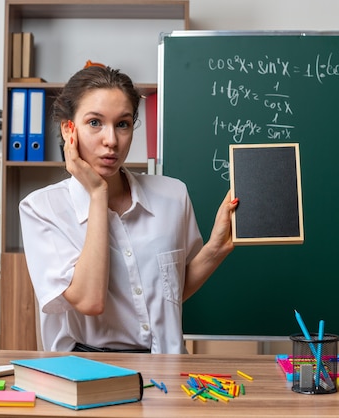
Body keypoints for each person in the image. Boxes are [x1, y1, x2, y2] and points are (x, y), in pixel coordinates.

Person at [19, 65, 238, 354]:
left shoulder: (173, 195)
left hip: (167, 370)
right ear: (68, 130)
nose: (111, 140)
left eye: (122, 124)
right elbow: (90, 301)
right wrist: (98, 194)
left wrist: (215, 249)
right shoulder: (42, 208)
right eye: (95, 123)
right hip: (85, 373)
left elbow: (170, 292)